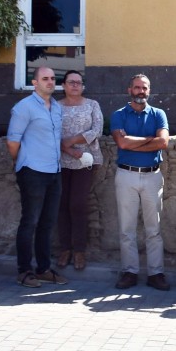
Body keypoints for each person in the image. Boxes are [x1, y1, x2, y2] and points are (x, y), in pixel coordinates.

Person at [6, 66, 66, 288]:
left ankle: (43, 269)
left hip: (54, 171)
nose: (50, 82)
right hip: (33, 171)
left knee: (47, 223)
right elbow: (12, 142)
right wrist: (25, 163)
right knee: (30, 221)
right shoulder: (24, 107)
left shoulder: (57, 107)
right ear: (35, 83)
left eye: (52, 78)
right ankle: (24, 271)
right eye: (45, 78)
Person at [110, 74, 170, 291]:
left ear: (149, 90)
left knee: (154, 228)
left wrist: (134, 141)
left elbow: (163, 142)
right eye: (137, 87)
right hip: (126, 175)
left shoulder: (158, 114)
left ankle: (156, 273)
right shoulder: (119, 115)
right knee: (127, 228)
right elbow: (122, 143)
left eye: (144, 88)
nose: (141, 91)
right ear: (130, 90)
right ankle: (129, 272)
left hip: (152, 175)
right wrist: (149, 140)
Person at [56, 70, 102, 273]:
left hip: (85, 160)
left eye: (78, 82)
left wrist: (73, 141)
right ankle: (65, 249)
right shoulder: (55, 107)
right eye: (71, 82)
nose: (75, 85)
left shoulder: (92, 105)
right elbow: (51, 132)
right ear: (64, 85)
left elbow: (97, 130)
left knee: (78, 204)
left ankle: (80, 250)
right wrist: (68, 150)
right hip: (60, 160)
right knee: (61, 204)